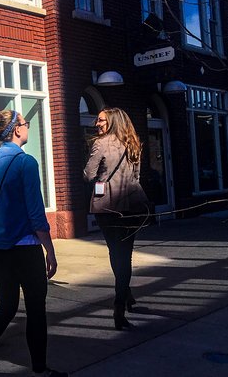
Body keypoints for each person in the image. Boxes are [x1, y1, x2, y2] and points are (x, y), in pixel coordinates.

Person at [0, 110, 66, 377]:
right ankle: (40, 370)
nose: (28, 128)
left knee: (6, 306)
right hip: (25, 246)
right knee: (36, 309)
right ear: (17, 130)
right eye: (26, 124)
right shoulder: (26, 163)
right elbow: (35, 212)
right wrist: (49, 250)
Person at [83, 107, 145, 331]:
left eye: (101, 120)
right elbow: (137, 176)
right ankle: (126, 296)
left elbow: (89, 174)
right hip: (132, 204)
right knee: (125, 252)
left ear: (112, 121)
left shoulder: (100, 144)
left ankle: (119, 307)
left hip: (108, 206)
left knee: (116, 252)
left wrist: (100, 176)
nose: (96, 124)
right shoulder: (133, 142)